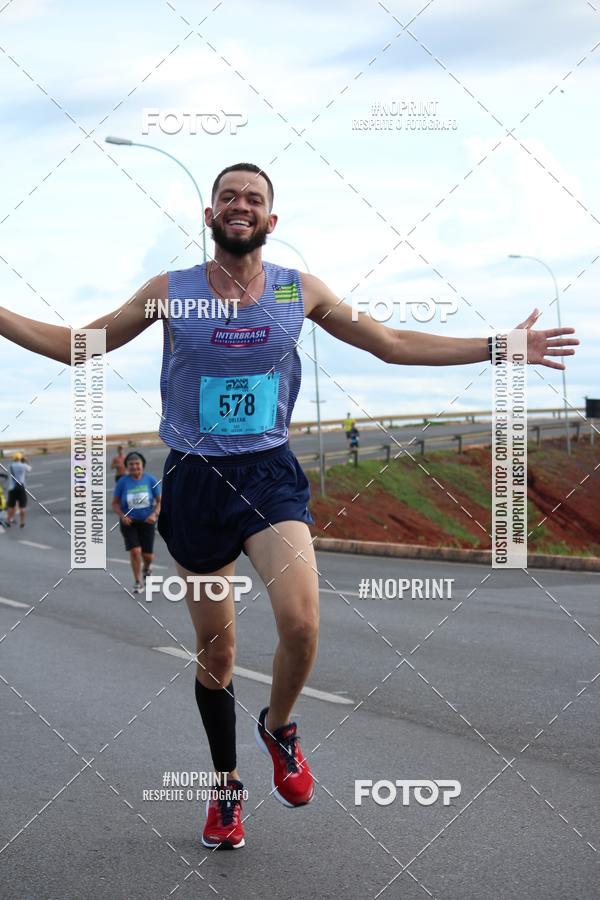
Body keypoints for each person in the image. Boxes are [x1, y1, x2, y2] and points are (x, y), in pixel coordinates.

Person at [0, 162, 579, 851]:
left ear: (272, 221)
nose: (239, 205)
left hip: (269, 475)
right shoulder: (170, 291)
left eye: (254, 198)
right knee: (218, 651)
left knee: (301, 623)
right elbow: (78, 346)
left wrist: (499, 346)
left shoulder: (298, 290)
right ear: (208, 217)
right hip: (194, 481)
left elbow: (389, 344)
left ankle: (279, 727)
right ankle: (226, 790)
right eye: (227, 197)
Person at [112, 451, 161, 594]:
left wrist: (154, 514)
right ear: (127, 467)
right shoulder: (122, 482)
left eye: (137, 464)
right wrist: (122, 515)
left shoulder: (150, 480)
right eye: (131, 464)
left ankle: (147, 568)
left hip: (147, 521)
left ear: (142, 465)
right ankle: (138, 581)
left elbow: (160, 501)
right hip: (129, 522)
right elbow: (115, 503)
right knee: (135, 551)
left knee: (148, 555)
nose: (134, 467)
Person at [6, 452, 32, 528]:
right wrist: (26, 461)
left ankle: (8, 521)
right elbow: (30, 469)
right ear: (21, 458)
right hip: (21, 489)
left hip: (12, 489)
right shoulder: (24, 466)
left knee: (11, 507)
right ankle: (22, 522)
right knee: (22, 508)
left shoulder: (10, 466)